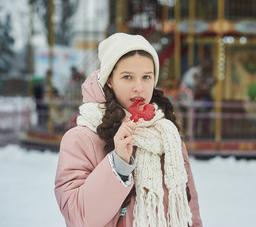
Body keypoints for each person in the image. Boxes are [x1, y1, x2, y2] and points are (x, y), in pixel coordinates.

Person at [54, 33, 202, 227]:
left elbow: (189, 212)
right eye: (127, 77)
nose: (139, 88)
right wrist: (118, 165)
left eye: (147, 77)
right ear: (109, 80)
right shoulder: (81, 139)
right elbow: (78, 217)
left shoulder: (167, 135)